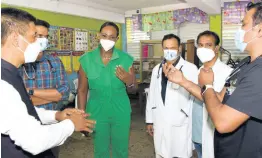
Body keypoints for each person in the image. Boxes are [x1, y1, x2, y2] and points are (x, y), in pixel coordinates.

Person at [1, 7, 96, 158]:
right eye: (34, 37)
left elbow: (23, 111)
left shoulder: (10, 71)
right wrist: (71, 124)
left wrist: (57, 115)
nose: (38, 43)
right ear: (15, 38)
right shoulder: (3, 83)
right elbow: (33, 140)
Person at [197, 2, 262, 158]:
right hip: (227, 149)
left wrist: (207, 85)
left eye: (244, 24)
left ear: (259, 29)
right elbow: (218, 98)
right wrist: (183, 81)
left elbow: (223, 123)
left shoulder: (259, 72)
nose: (239, 30)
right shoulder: (245, 64)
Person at [163, 31, 233, 158]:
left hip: (210, 132)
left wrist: (184, 81)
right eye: (200, 45)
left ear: (216, 48)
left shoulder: (227, 73)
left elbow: (217, 101)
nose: (203, 49)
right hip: (196, 131)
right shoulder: (199, 70)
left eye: (208, 45)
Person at [77, 22, 136, 158]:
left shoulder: (126, 59)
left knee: (121, 149)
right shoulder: (87, 60)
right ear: (98, 36)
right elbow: (82, 90)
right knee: (100, 150)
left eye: (111, 37)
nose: (107, 40)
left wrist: (129, 81)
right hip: (97, 110)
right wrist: (81, 116)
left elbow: (134, 89)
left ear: (116, 39)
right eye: (104, 35)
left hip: (120, 110)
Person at [146, 34, 198, 158]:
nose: (169, 51)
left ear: (179, 48)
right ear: (162, 49)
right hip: (159, 117)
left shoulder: (190, 68)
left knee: (180, 152)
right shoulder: (156, 69)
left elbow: (196, 95)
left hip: (180, 118)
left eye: (173, 47)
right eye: (166, 48)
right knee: (161, 152)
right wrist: (149, 120)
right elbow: (152, 95)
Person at [19, 19, 70, 111]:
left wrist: (30, 91)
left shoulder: (55, 61)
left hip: (52, 117)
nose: (44, 40)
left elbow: (64, 93)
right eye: (39, 36)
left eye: (46, 37)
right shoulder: (19, 61)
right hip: (26, 117)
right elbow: (17, 98)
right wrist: (52, 97)